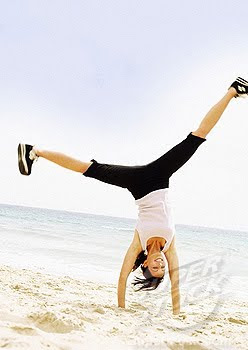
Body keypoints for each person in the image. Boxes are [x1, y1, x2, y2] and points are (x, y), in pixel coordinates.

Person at [18, 77, 248, 315]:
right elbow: (176, 286)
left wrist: (121, 308)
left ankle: (35, 151)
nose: (160, 264)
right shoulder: (170, 247)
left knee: (89, 169)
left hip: (137, 185)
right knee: (197, 137)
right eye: (162, 268)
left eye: (154, 267)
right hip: (160, 177)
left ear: (146, 264)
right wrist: (177, 313)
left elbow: (122, 277)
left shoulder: (138, 244)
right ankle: (234, 90)